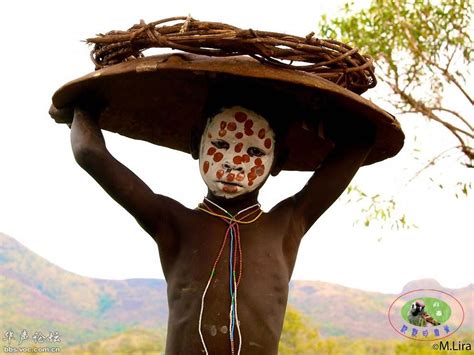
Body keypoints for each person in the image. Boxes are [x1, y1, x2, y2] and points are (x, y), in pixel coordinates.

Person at [49, 89, 375, 354]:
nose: (234, 163)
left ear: (279, 161)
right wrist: (81, 108)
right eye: (220, 145)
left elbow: (361, 139)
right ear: (196, 144)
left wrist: (308, 117)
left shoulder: (287, 224)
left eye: (254, 151)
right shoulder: (172, 223)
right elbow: (89, 153)